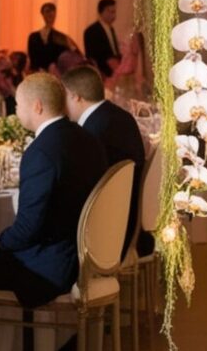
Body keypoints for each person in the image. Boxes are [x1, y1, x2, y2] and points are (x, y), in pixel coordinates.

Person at [0, 73, 106, 351]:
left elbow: (27, 229)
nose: (15, 110)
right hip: (77, 255)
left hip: (46, 268)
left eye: (18, 104)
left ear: (36, 106)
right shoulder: (86, 139)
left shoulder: (42, 150)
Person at [63, 65, 147, 255]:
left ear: (75, 96)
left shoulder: (93, 131)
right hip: (131, 218)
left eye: (64, 97)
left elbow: (85, 186)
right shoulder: (118, 116)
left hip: (111, 230)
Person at [26, 3, 76, 73]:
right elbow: (31, 58)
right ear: (42, 14)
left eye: (52, 12)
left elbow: (70, 55)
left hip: (54, 75)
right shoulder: (33, 37)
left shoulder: (61, 37)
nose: (50, 14)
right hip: (37, 74)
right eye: (47, 11)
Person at [83, 0, 122, 78]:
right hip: (101, 74)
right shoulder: (91, 31)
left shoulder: (111, 29)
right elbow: (92, 56)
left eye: (114, 12)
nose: (114, 15)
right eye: (111, 12)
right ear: (102, 11)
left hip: (114, 73)